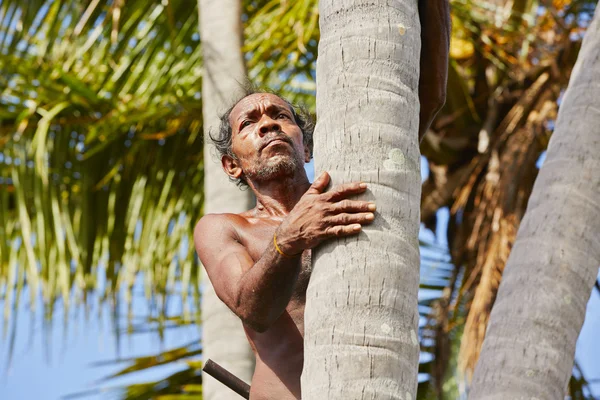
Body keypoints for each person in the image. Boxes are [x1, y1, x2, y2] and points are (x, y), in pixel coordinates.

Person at [194, 3, 450, 399]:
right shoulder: (225, 229)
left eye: (280, 115)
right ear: (232, 166)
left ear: (306, 146)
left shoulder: (349, 192)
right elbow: (253, 309)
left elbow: (428, 97)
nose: (267, 123)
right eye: (250, 123)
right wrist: (289, 238)